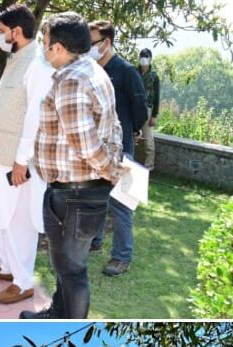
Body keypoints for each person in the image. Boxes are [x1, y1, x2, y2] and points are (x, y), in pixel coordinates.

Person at [20, 12, 126, 319]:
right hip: (80, 192)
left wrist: (112, 171)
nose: (42, 47)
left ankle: (67, 328)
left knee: (73, 270)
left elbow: (86, 144)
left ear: (58, 47)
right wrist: (111, 168)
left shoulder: (71, 81)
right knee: (66, 267)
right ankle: (58, 312)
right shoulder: (93, 70)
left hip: (74, 195)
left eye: (45, 41)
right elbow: (114, 126)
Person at [0, 3, 53, 305]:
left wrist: (22, 160)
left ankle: (23, 282)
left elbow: (34, 117)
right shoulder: (16, 57)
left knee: (19, 221)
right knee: (1, 217)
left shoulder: (37, 64)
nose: (0, 36)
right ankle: (8, 268)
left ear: (16, 32)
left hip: (17, 160)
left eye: (3, 31)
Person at [87, 20, 146, 277]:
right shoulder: (89, 70)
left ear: (106, 42)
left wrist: (131, 130)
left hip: (121, 150)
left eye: (91, 44)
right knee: (95, 198)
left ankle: (121, 257)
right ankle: (94, 241)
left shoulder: (125, 71)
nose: (86, 49)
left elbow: (140, 111)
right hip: (94, 149)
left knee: (121, 205)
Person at [136, 48, 160, 169]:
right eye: (142, 56)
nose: (143, 59)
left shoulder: (154, 77)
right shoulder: (134, 72)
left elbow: (157, 97)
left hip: (148, 109)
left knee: (148, 139)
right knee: (131, 135)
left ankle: (149, 166)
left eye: (146, 56)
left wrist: (154, 116)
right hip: (134, 107)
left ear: (150, 59)